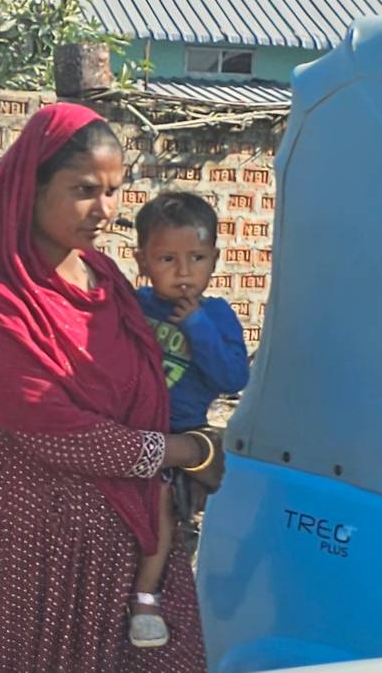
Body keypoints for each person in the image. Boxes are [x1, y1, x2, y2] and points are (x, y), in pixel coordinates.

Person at [0, 103, 224, 673]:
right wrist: (189, 450)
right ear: (31, 187)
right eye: (85, 189)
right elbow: (57, 431)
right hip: (28, 561)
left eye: (115, 190)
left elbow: (147, 387)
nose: (106, 210)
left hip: (122, 557)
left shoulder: (107, 279)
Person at [128, 191, 249, 648]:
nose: (183, 271)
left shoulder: (217, 316)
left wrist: (198, 328)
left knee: (160, 503)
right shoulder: (133, 306)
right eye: (167, 258)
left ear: (215, 259)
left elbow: (233, 376)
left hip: (181, 434)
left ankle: (145, 599)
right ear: (142, 261)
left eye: (196, 257)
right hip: (127, 429)